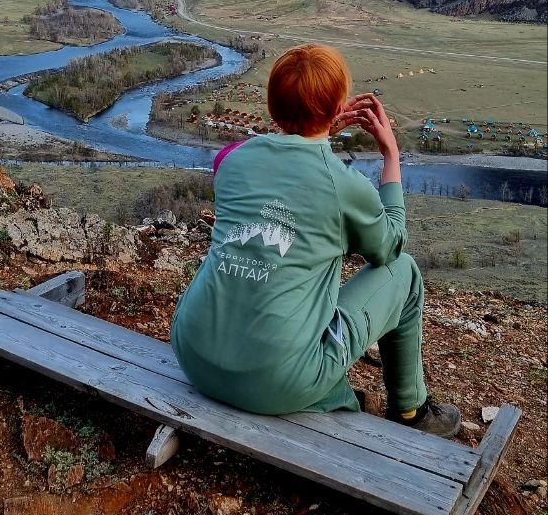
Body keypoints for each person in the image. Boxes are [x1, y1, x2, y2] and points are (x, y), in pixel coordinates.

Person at [171, 44, 461, 437]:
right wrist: (391, 155)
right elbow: (390, 247)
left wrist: (311, 129)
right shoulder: (342, 184)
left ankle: (334, 392)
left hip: (194, 353)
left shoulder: (232, 162)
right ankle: (411, 411)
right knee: (405, 273)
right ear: (338, 107)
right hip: (275, 381)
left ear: (272, 107)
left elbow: (243, 152)